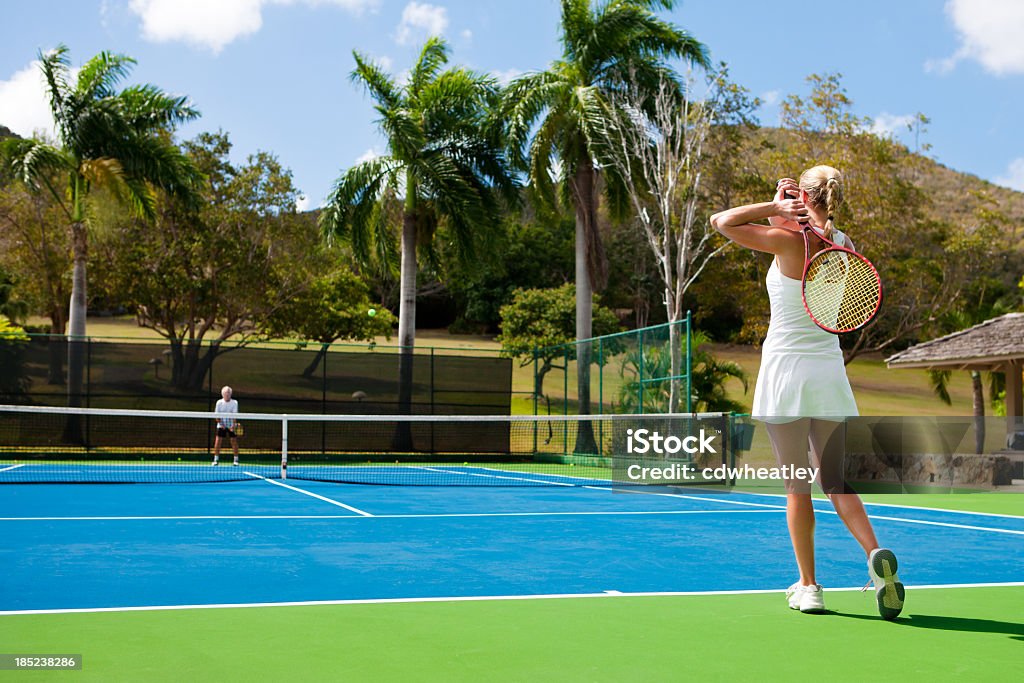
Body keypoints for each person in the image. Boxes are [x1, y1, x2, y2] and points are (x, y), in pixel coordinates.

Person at [709, 165, 904, 620]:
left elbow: (722, 221)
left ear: (804, 194)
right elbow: (804, 234)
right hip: (828, 373)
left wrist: (773, 207)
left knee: (796, 487)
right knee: (834, 479)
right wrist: (786, 208)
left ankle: (810, 586)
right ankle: (875, 555)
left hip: (786, 374)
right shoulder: (844, 245)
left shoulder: (786, 239)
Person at [212, 385, 240, 467]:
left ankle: (236, 460)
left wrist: (233, 426)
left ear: (231, 394)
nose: (227, 395)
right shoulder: (219, 403)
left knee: (234, 442)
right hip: (221, 425)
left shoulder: (234, 403)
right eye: (225, 393)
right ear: (222, 394)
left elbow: (235, 416)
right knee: (218, 442)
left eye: (228, 393)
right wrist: (221, 424)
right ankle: (216, 460)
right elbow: (216, 416)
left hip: (231, 425)